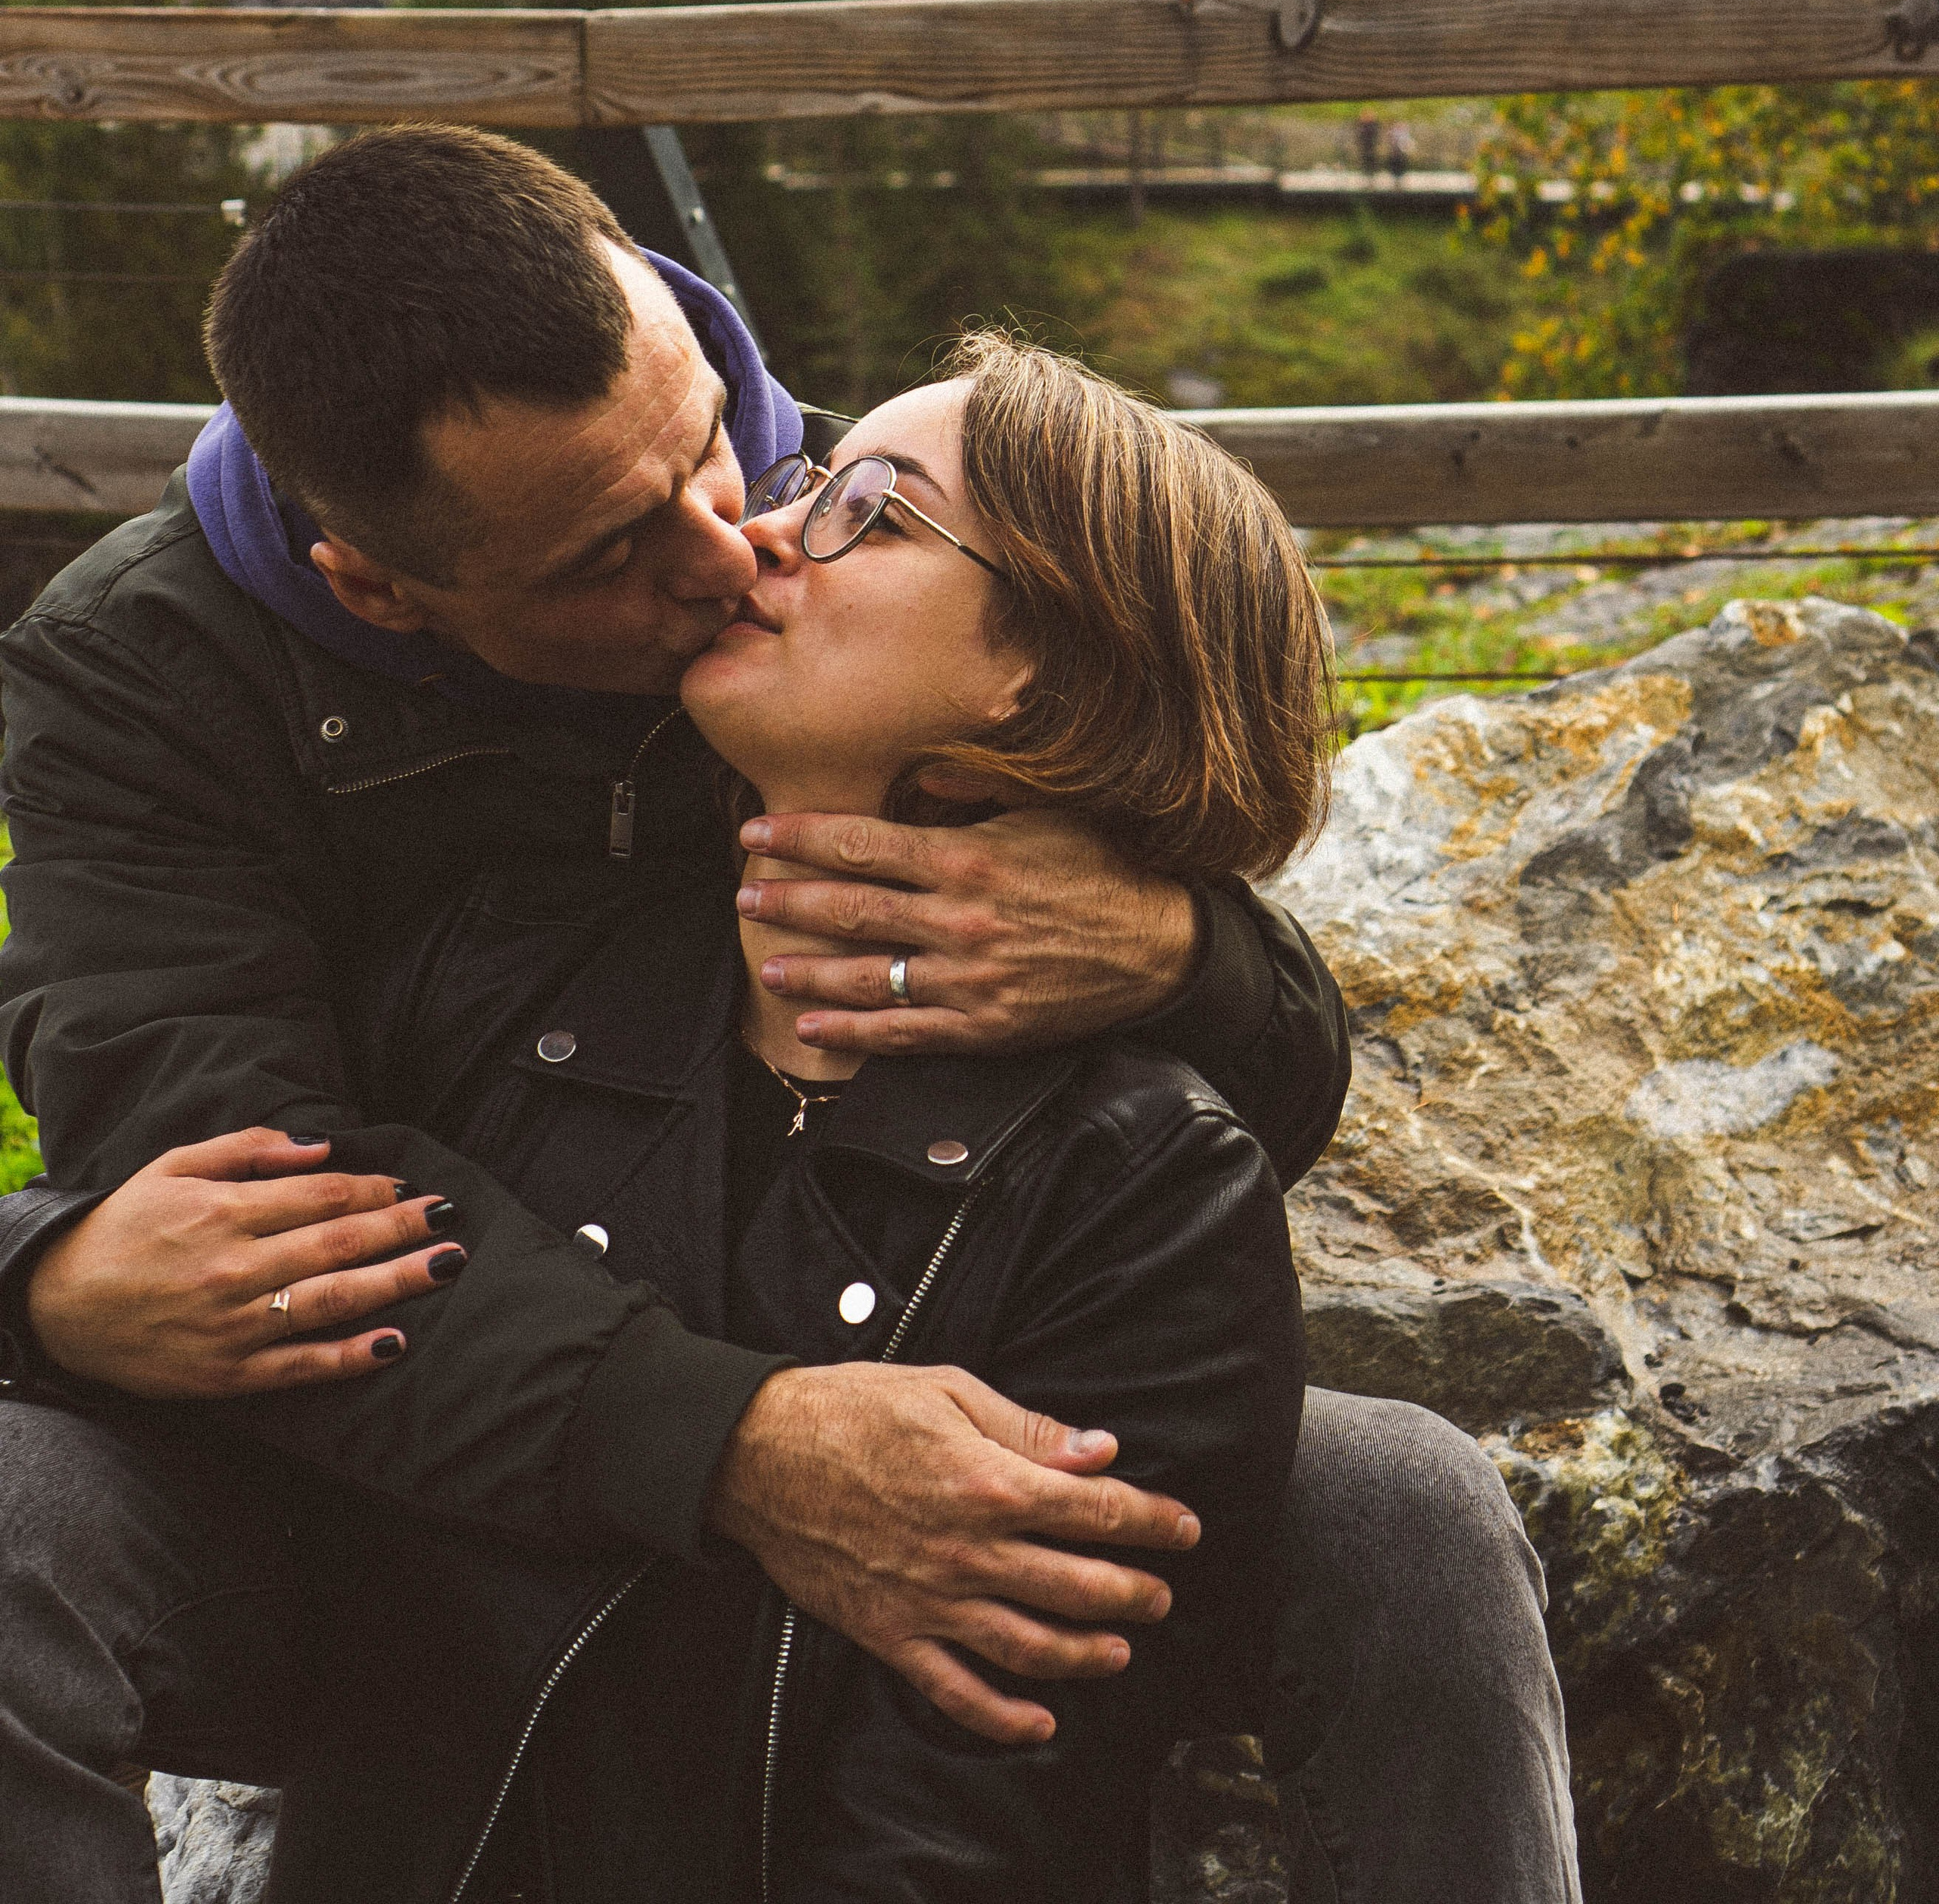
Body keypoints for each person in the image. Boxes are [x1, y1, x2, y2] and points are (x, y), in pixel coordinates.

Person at [0, 129, 1579, 1903]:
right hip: (423, 1433)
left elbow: (1188, 983)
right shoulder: (148, 677)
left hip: (897, 1311)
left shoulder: (842, 520)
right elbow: (244, 1220)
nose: (732, 545)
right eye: (609, 552)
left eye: (718, 440)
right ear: (380, 585)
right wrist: (737, 1445)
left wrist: (1173, 949)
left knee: (1399, 1513)